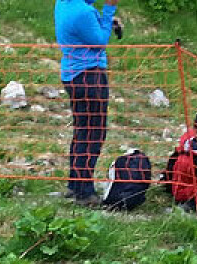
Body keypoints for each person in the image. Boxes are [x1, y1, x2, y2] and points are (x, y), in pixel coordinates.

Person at [55, 0, 120, 207]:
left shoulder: (64, 4)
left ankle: (75, 184)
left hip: (72, 74)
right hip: (89, 75)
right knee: (94, 133)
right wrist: (109, 10)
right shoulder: (83, 12)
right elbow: (100, 41)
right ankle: (85, 191)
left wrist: (102, 20)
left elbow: (89, 27)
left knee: (82, 130)